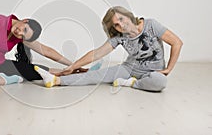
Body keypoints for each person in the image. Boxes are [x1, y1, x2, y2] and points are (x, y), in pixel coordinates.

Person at [34, 6, 183, 92]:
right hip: (130, 68)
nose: (121, 25)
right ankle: (56, 80)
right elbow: (97, 53)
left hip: (154, 71)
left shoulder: (151, 25)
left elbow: (177, 42)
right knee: (97, 76)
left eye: (121, 19)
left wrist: (168, 69)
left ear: (128, 16)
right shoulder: (119, 37)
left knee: (160, 83)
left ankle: (131, 83)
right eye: (116, 25)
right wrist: (72, 66)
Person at [0, 14, 84, 86]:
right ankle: (5, 80)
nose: (19, 33)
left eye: (23, 35)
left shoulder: (19, 37)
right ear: (25, 20)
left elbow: (47, 51)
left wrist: (73, 64)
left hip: (0, 65)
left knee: (38, 71)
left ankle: (79, 73)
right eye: (24, 29)